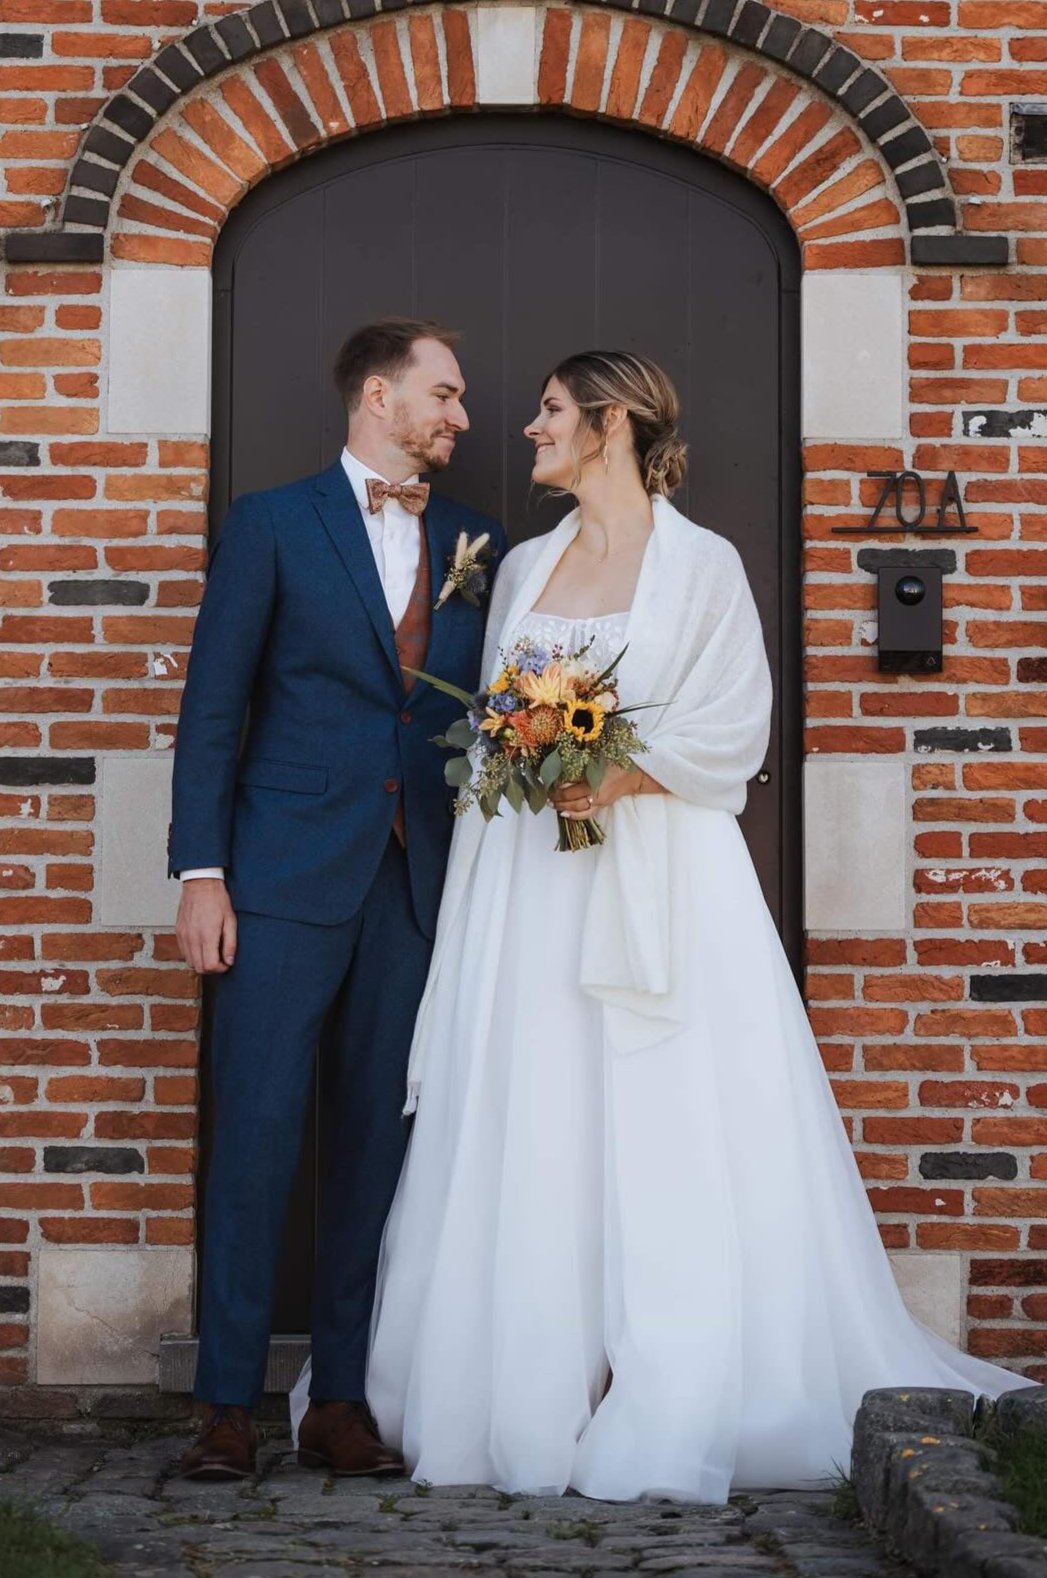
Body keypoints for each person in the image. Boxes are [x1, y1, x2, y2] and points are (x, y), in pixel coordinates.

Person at [291, 348, 1035, 1502]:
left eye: (548, 412)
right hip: (533, 886)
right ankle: (531, 1385)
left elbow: (738, 727)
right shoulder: (526, 567)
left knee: (660, 1119)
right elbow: (493, 730)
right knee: (536, 1112)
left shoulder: (702, 565)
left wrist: (619, 772)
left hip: (664, 883)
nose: (527, 429)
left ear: (612, 424)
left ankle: (673, 1378)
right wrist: (528, 758)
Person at [169, 317, 506, 1480]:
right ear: (378, 394)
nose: (463, 417)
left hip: (416, 884)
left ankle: (341, 1401)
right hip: (278, 878)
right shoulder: (271, 523)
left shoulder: (478, 540)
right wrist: (200, 873)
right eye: (446, 394)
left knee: (377, 1145)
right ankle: (225, 1405)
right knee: (257, 1136)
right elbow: (214, 707)